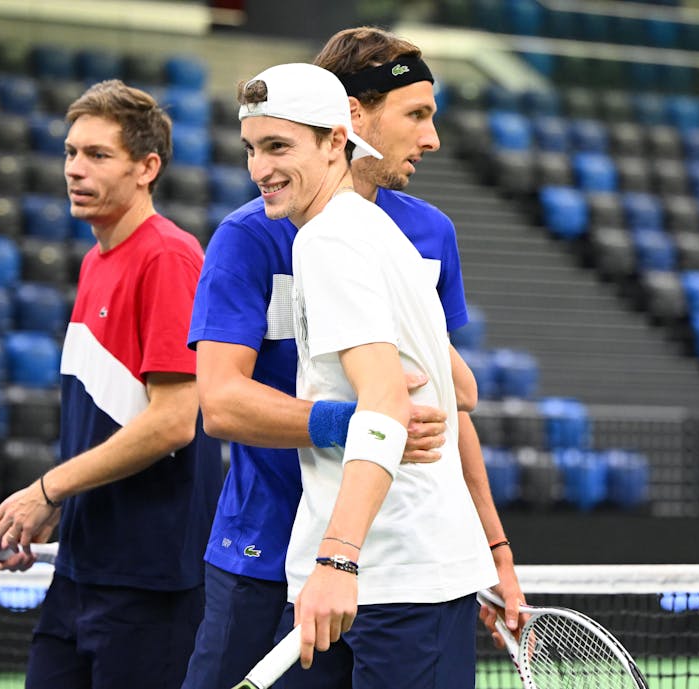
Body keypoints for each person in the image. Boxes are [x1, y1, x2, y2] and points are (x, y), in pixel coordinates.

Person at [183, 27, 521, 688]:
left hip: (377, 565)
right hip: (300, 555)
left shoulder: (339, 237)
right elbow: (223, 403)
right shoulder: (327, 233)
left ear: (338, 137)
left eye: (278, 147)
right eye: (254, 149)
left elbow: (424, 398)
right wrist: (362, 416)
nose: (259, 168)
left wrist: (340, 556)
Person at [0, 80, 221, 689]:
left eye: (97, 155)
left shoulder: (168, 256)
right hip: (81, 569)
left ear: (148, 167)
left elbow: (172, 422)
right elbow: (113, 417)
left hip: (149, 580)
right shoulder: (95, 261)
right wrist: (57, 511)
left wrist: (49, 490)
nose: (74, 169)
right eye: (70, 152)